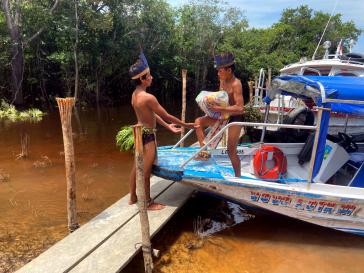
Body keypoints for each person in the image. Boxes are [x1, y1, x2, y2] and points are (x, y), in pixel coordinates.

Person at [129, 51, 194, 210]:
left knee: (136, 166)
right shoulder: (148, 98)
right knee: (146, 171)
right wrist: (186, 125)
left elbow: (151, 116)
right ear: (143, 79)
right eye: (149, 76)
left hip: (139, 134)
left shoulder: (135, 95)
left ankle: (132, 196)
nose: (152, 78)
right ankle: (147, 203)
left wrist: (167, 126)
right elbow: (167, 115)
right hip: (148, 136)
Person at [194, 52, 244, 177]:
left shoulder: (236, 84)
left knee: (231, 150)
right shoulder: (222, 81)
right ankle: (204, 153)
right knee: (198, 122)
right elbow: (221, 98)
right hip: (223, 114)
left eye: (220, 71)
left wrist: (220, 109)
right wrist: (209, 103)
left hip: (235, 117)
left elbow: (240, 108)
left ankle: (238, 177)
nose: (218, 73)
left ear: (229, 70)